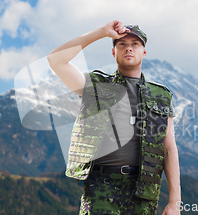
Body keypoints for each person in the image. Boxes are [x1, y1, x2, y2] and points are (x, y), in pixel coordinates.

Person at [47, 20, 181, 215]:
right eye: (122, 44)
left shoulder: (161, 95)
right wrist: (102, 32)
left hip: (144, 193)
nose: (129, 49)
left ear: (144, 52)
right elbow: (55, 60)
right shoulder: (95, 85)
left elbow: (169, 149)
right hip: (100, 189)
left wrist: (174, 202)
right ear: (113, 52)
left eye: (135, 44)